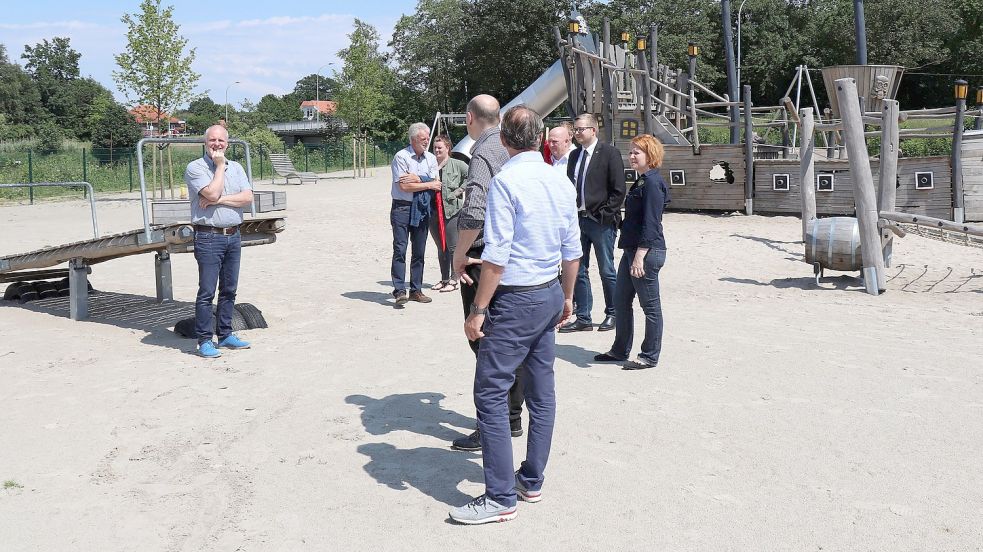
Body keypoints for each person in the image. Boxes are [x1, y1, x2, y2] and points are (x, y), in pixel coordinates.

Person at [449, 105, 581, 525]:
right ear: (542, 138)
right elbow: (572, 248)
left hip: (514, 297)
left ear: (503, 140)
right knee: (542, 393)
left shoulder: (506, 180)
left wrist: (479, 309)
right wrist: (567, 296)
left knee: (490, 392)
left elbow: (496, 255)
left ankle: (500, 496)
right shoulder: (558, 179)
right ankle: (531, 478)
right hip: (547, 291)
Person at [450, 94, 525, 452]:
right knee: (510, 343)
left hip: (483, 257)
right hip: (514, 256)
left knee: (482, 340)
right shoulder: (514, 148)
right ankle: (511, 418)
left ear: (469, 118)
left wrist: (459, 253)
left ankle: (490, 425)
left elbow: (475, 209)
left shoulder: (482, 152)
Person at [594, 134, 670, 370]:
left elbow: (651, 223)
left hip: (646, 252)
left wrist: (640, 256)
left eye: (637, 152)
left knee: (650, 306)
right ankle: (619, 350)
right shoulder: (641, 181)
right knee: (621, 300)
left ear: (651, 155)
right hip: (632, 250)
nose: (632, 156)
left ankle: (649, 355)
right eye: (631, 151)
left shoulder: (653, 183)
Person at [184, 125, 254, 358]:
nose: (217, 144)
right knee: (206, 291)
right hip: (208, 236)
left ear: (227, 143)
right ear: (205, 143)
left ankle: (225, 334)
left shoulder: (238, 167)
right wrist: (220, 166)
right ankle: (205, 339)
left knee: (229, 289)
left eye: (221, 140)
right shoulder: (195, 167)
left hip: (233, 235)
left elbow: (247, 198)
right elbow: (210, 193)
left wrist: (220, 200)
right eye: (212, 140)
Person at [559, 113, 626, 333]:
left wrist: (606, 214)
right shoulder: (575, 155)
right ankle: (584, 317)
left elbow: (618, 190)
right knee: (579, 269)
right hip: (578, 220)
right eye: (575, 130)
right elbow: (570, 186)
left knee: (607, 269)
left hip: (600, 221)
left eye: (581, 129)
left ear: (593, 130)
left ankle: (614, 313)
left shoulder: (609, 153)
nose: (577, 133)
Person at [390, 122, 440, 306]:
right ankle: (399, 290)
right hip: (402, 208)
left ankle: (416, 290)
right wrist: (428, 183)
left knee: (419, 251)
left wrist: (419, 178)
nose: (427, 142)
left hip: (422, 208)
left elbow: (438, 183)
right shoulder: (401, 157)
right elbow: (404, 186)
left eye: (427, 138)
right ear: (412, 140)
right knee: (400, 249)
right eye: (423, 139)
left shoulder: (431, 158)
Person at [428, 135, 468, 293]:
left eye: (440, 148)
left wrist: (459, 190)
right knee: (440, 247)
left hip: (451, 210)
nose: (437, 150)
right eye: (435, 148)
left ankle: (454, 278)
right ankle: (444, 278)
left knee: (452, 246)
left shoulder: (458, 164)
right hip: (432, 210)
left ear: (448, 148)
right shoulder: (430, 165)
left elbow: (471, 175)